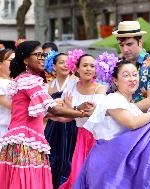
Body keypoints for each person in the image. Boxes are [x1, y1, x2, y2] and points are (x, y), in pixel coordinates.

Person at [74, 60, 150, 189]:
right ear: (115, 81)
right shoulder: (113, 98)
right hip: (109, 165)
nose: (132, 79)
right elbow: (132, 123)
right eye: (126, 75)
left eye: (134, 74)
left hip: (120, 166)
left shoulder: (131, 106)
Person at [0, 41, 93, 189]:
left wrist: (76, 109)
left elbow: (49, 113)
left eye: (43, 55)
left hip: (19, 141)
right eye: (37, 55)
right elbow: (54, 109)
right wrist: (81, 112)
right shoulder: (30, 80)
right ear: (25, 60)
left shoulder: (22, 79)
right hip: (27, 142)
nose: (42, 58)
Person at [59, 53, 107, 189]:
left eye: (92, 66)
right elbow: (64, 115)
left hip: (98, 137)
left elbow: (93, 113)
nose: (88, 69)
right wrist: (72, 110)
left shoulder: (100, 88)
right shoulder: (71, 86)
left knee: (95, 176)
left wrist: (72, 109)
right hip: (81, 135)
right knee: (77, 174)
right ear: (77, 68)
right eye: (84, 65)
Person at [113, 21, 150, 112]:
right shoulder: (119, 65)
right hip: (125, 123)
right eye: (121, 45)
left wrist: (118, 112)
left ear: (140, 42)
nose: (125, 50)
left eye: (129, 44)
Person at [44, 51, 78, 188]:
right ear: (54, 66)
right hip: (53, 125)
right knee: (53, 157)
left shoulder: (76, 81)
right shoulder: (49, 85)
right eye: (61, 62)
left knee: (69, 156)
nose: (65, 65)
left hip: (71, 124)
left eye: (68, 62)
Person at [0, 49, 14, 137]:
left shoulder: (16, 81)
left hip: (14, 129)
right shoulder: (1, 83)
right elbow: (13, 106)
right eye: (11, 60)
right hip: (2, 129)